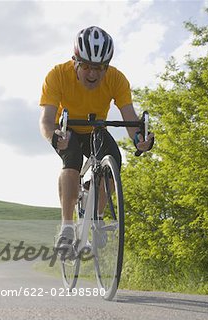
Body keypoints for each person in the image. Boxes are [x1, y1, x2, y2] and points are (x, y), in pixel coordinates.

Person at [39, 26, 154, 250]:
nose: (93, 74)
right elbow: (45, 121)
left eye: (100, 68)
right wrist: (54, 138)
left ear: (107, 66)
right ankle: (68, 227)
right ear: (76, 61)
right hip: (67, 128)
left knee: (114, 161)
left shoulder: (117, 79)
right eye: (88, 67)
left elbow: (130, 118)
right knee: (71, 160)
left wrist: (139, 139)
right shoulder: (57, 75)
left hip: (95, 129)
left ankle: (96, 216)